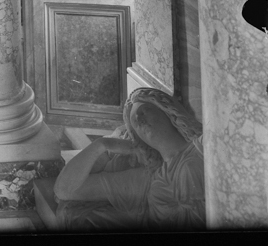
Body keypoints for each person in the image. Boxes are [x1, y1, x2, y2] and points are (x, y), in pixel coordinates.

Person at [54, 87, 205, 230]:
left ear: (166, 111)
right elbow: (65, 190)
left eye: (144, 111)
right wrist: (103, 144)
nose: (139, 118)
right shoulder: (147, 178)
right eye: (134, 122)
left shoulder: (202, 145)